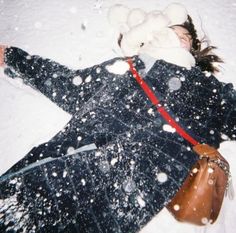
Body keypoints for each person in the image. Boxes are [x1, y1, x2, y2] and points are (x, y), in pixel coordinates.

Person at [0, 6, 235, 233]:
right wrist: (13, 57)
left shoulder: (207, 90)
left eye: (184, 35)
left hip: (119, 205)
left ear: (192, 47)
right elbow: (65, 83)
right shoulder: (125, 67)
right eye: (171, 30)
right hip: (56, 171)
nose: (176, 37)